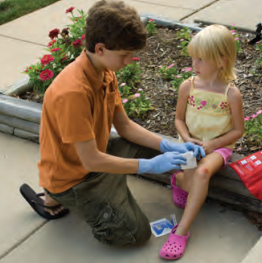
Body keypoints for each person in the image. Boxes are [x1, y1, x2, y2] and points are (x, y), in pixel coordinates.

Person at [20, 0, 205, 246]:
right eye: (125, 55)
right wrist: (146, 166)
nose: (129, 61)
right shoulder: (72, 92)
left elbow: (125, 127)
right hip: (77, 179)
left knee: (164, 153)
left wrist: (169, 146)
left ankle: (104, 190)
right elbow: (90, 160)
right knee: (135, 235)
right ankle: (59, 195)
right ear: (100, 48)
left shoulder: (104, 70)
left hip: (96, 156)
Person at [159, 24, 244, 260]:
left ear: (221, 61)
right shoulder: (188, 86)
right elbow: (178, 120)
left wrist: (213, 145)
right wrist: (187, 140)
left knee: (202, 173)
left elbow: (238, 130)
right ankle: (179, 180)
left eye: (200, 60)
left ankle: (182, 231)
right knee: (190, 182)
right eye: (193, 59)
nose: (193, 65)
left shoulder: (231, 94)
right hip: (190, 143)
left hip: (219, 147)